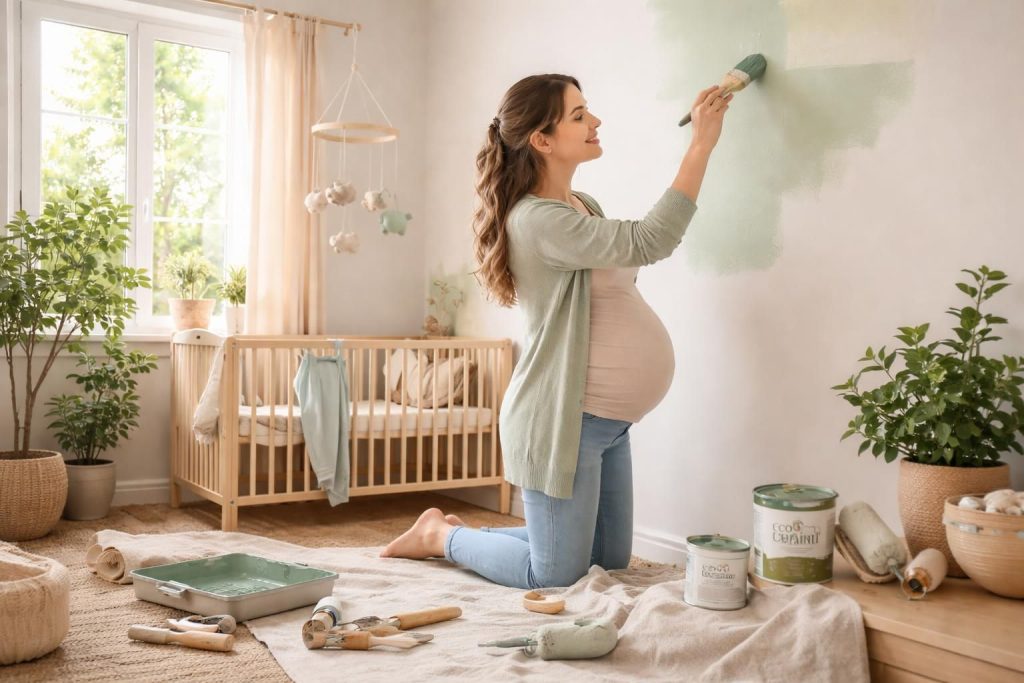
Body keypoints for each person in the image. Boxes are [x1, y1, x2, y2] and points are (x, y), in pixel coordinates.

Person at [381, 74, 730, 589]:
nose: (595, 121)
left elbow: (620, 272)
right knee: (556, 575)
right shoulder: (535, 220)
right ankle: (439, 537)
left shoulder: (582, 205)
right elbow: (650, 241)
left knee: (608, 563)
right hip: (565, 422)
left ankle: (479, 534)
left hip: (609, 423)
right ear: (542, 140)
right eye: (579, 115)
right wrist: (701, 143)